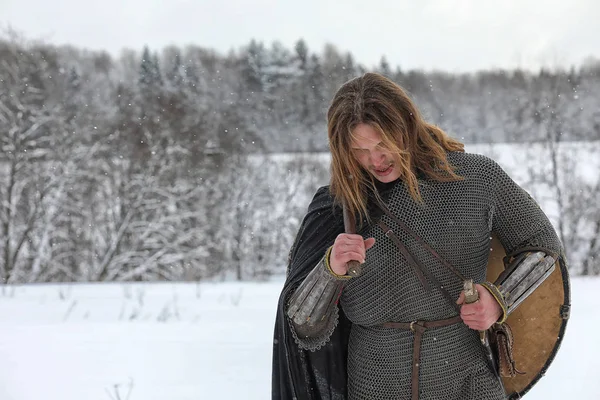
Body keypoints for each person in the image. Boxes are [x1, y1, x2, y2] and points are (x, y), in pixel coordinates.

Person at [272, 72, 565, 400]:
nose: (376, 160)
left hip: (465, 373)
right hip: (374, 380)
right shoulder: (338, 205)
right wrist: (330, 270)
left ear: (407, 126)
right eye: (360, 150)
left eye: (383, 143)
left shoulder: (475, 178)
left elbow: (542, 245)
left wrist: (500, 299)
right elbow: (301, 324)